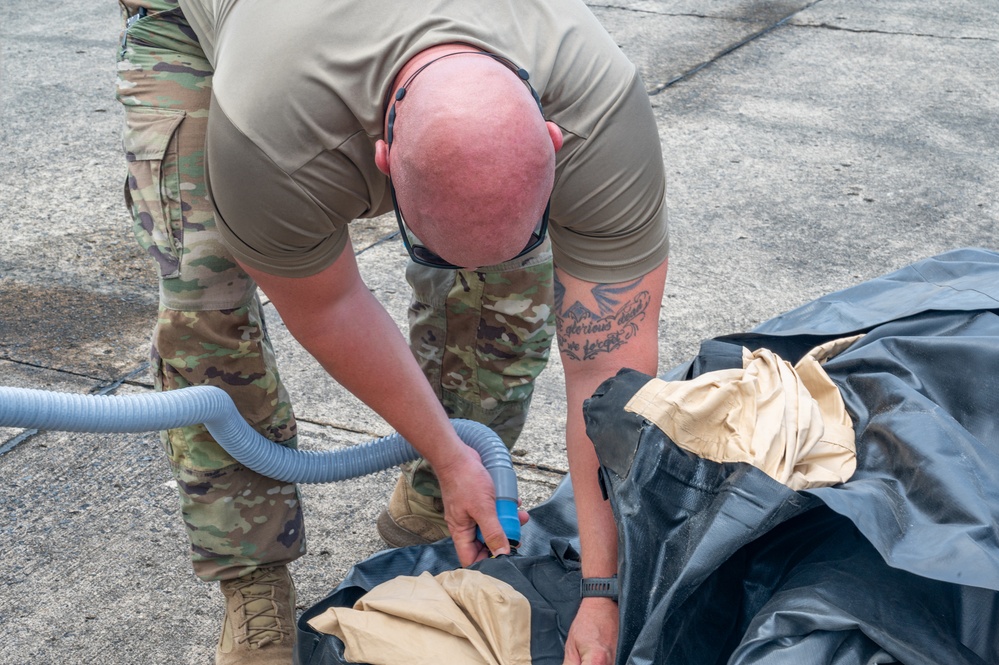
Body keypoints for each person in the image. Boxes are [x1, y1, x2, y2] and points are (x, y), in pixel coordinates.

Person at [115, 0, 669, 663]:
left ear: (554, 138)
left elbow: (610, 376)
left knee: (505, 288)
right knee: (205, 301)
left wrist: (604, 586)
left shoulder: (597, 103)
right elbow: (328, 305)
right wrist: (443, 445)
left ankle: (440, 507)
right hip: (202, 25)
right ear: (379, 161)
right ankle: (252, 576)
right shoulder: (267, 130)